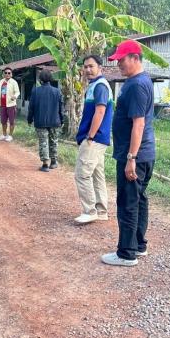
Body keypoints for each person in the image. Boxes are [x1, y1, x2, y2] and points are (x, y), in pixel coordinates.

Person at [101, 40, 155, 267]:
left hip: (134, 155)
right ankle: (138, 245)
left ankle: (126, 253)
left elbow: (138, 124)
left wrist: (131, 158)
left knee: (128, 202)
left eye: (121, 60)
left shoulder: (135, 85)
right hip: (144, 153)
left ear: (135, 58)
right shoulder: (143, 80)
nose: (119, 65)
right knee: (139, 199)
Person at [74, 54, 113, 224]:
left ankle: (90, 211)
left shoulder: (100, 86)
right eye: (85, 67)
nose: (88, 70)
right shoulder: (95, 85)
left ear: (100, 68)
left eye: (91, 66)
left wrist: (90, 136)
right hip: (99, 138)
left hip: (94, 138)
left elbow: (100, 111)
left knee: (82, 174)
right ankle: (101, 211)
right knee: (97, 174)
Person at [27, 69, 63, 171]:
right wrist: (62, 120)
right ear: (50, 79)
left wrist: (29, 119)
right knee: (54, 141)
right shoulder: (57, 91)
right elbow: (61, 108)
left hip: (40, 121)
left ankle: (45, 164)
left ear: (40, 79)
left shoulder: (35, 91)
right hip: (55, 121)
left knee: (43, 142)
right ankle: (54, 162)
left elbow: (31, 108)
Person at [0, 67, 20, 142]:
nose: (7, 74)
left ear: (11, 74)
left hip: (11, 105)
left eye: (9, 73)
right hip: (2, 105)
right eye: (6, 73)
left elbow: (17, 92)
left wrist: (14, 96)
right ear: (3, 74)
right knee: (3, 121)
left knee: (12, 121)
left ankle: (10, 136)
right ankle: (4, 134)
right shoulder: (1, 82)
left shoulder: (14, 82)